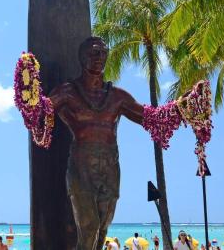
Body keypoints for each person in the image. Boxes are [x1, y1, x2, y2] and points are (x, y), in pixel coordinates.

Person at [47, 37, 190, 250]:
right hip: (81, 165)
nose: (99, 58)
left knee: (103, 229)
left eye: (103, 53)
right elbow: (40, 113)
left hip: (110, 167)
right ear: (82, 56)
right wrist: (27, 89)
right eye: (94, 53)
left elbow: (150, 118)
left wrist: (179, 108)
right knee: (89, 227)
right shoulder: (67, 92)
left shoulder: (117, 97)